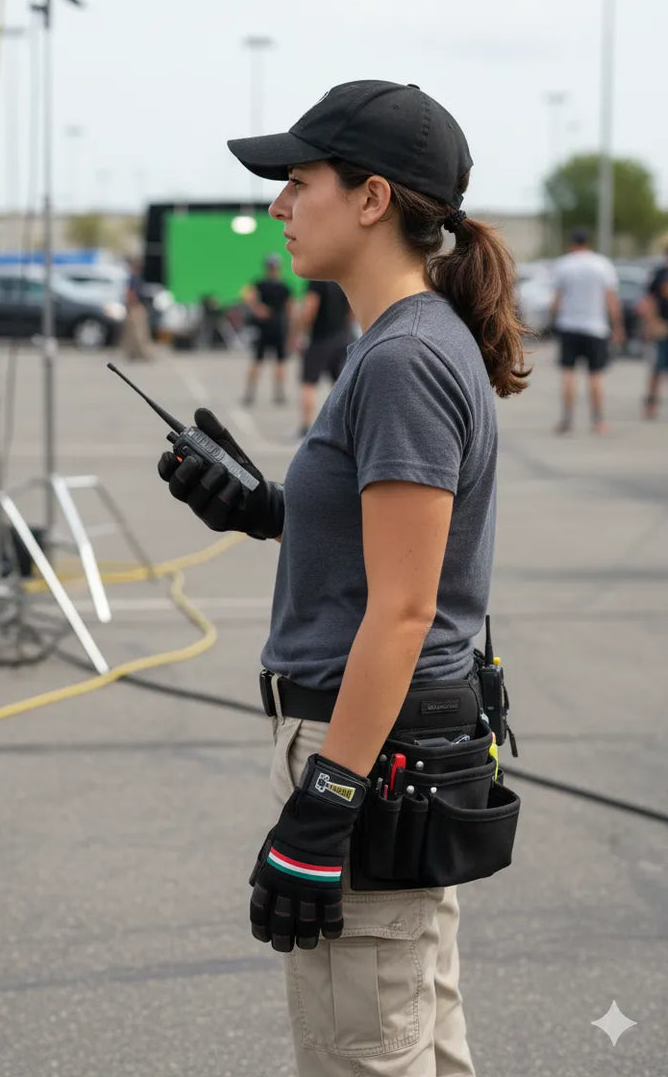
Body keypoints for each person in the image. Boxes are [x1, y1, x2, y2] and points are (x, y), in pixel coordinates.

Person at [154, 80, 529, 1076]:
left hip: (367, 747)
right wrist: (264, 511)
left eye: (297, 181)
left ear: (369, 199)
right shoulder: (400, 343)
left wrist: (326, 800)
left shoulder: (403, 357)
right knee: (414, 1044)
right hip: (394, 741)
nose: (277, 206)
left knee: (365, 1055)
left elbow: (405, 609)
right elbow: (400, 561)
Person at [549, 228, 624, 435]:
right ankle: (598, 421)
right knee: (596, 375)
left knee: (568, 373)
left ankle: (567, 420)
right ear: (588, 243)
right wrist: (617, 326)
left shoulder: (563, 265)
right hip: (596, 327)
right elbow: (611, 300)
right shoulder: (602, 264)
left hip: (569, 326)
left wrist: (553, 319)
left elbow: (556, 300)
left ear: (572, 243)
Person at [292, 279, 354, 435]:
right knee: (340, 386)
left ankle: (305, 427)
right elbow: (352, 310)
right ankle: (344, 429)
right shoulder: (342, 279)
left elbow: (310, 308)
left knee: (309, 384)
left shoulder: (316, 281)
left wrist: (300, 332)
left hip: (319, 340)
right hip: (342, 340)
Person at [241, 254, 292, 405]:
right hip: (278, 326)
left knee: (258, 360)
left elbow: (247, 296)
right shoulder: (284, 286)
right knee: (279, 361)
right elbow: (290, 308)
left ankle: (250, 393)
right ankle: (279, 394)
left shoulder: (260, 284)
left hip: (264, 327)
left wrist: (257, 309)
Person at [639, 247, 668, 420]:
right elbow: (649, 301)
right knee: (657, 368)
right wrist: (651, 324)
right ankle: (651, 402)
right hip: (662, 327)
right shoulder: (659, 275)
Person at [121, 256, 153, 361]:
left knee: (135, 332)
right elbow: (130, 293)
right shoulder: (134, 278)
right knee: (138, 332)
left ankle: (134, 353)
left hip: (135, 306)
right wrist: (134, 304)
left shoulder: (136, 277)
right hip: (136, 307)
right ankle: (141, 353)